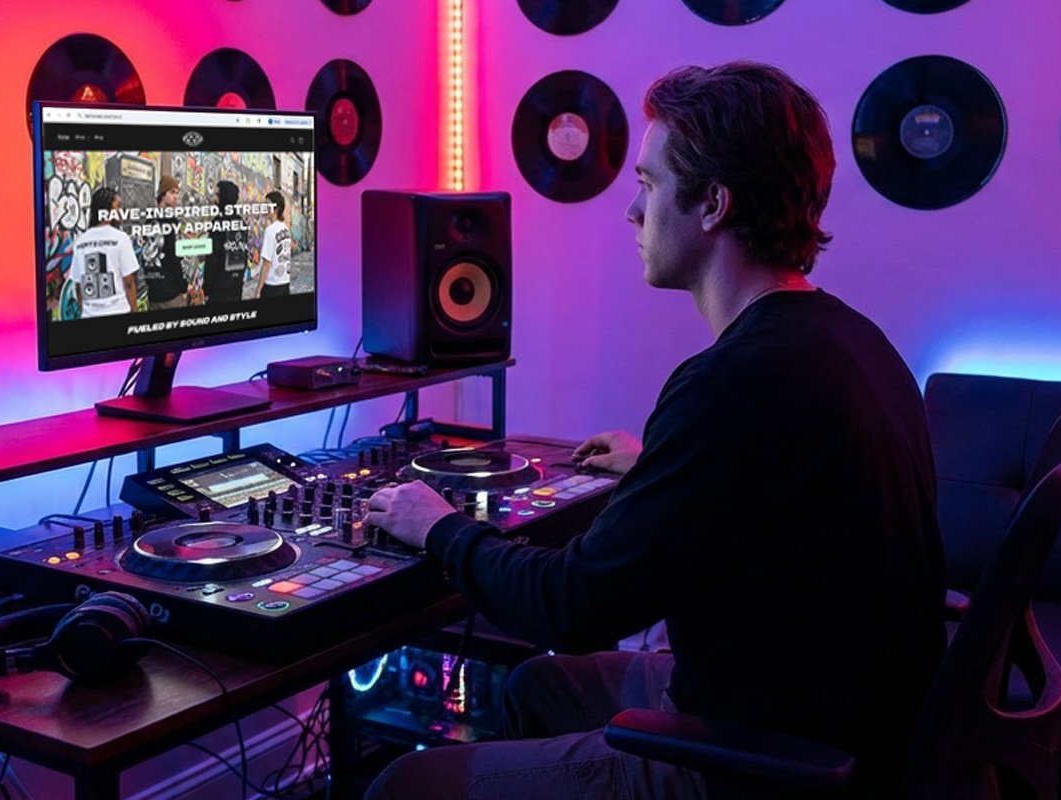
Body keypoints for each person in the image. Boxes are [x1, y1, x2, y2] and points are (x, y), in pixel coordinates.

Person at [362, 62, 946, 799]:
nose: (633, 213)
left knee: (405, 785)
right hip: (844, 716)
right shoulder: (849, 339)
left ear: (712, 204)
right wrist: (657, 467)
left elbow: (574, 606)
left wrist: (440, 528)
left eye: (648, 184)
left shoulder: (735, 381)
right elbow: (774, 504)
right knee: (537, 686)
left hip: (764, 759)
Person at [64, 186, 139, 318]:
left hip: (90, 316)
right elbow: (129, 282)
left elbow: (78, 286)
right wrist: (134, 310)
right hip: (118, 312)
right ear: (106, 210)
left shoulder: (81, 241)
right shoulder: (121, 238)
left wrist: (85, 311)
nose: (121, 211)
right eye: (118, 206)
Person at [144, 175, 191, 310]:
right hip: (171, 294)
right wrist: (184, 286)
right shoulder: (170, 221)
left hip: (154, 293)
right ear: (162, 194)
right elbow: (174, 257)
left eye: (177, 193)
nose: (176, 197)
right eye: (172, 192)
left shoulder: (150, 220)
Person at [202, 180, 251, 304]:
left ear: (225, 197)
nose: (214, 199)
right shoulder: (241, 223)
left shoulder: (218, 223)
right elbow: (243, 254)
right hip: (236, 286)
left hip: (218, 290)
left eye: (218, 195)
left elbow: (212, 259)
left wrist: (206, 289)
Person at [257, 190, 292, 298]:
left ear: (276, 209)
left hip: (271, 285)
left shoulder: (270, 231)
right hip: (285, 282)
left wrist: (259, 289)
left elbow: (267, 263)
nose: (264, 208)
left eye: (267, 205)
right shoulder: (285, 229)